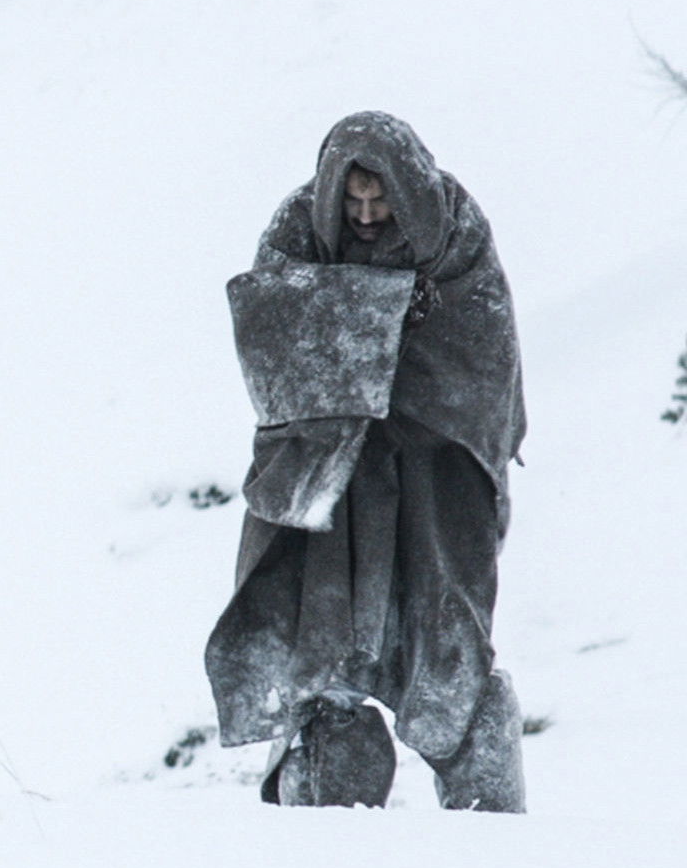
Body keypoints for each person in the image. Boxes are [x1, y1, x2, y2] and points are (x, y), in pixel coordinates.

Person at [205, 111, 527, 811]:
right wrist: (380, 317)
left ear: (409, 189)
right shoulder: (296, 231)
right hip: (334, 478)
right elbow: (274, 348)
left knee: (446, 640)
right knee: (324, 652)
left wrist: (364, 324)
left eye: (381, 199)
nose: (368, 214)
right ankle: (328, 807)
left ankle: (494, 831)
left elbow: (479, 361)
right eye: (351, 202)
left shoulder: (455, 235)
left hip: (433, 480)